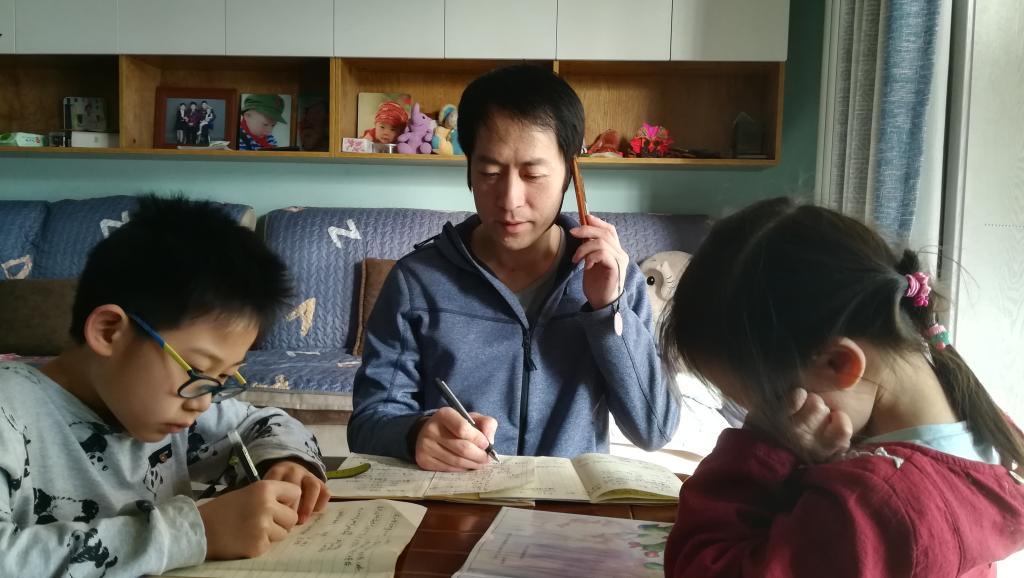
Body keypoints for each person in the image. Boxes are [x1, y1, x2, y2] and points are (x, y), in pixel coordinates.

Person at [661, 197, 1024, 577]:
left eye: (773, 403)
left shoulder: (874, 506)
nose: (766, 417)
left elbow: (699, 569)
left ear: (839, 364)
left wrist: (762, 446)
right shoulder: (983, 431)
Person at [348, 64, 680, 472]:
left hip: (566, 502)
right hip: (457, 500)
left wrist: (607, 310)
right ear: (469, 170)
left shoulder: (614, 277)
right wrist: (416, 433)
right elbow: (368, 422)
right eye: (489, 172)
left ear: (570, 174)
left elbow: (654, 429)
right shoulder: (417, 283)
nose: (509, 200)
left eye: (533, 174)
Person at [0, 196, 331, 576]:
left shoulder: (171, 412)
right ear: (109, 332)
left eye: (223, 378)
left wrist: (285, 462)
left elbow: (267, 421)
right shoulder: (11, 413)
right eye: (196, 369)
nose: (203, 403)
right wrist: (196, 531)